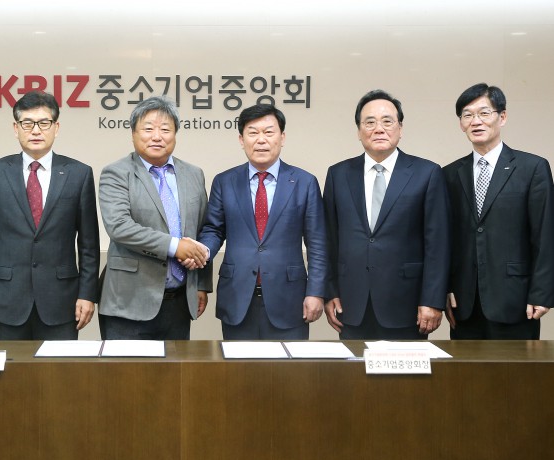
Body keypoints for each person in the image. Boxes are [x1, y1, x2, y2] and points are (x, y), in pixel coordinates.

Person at [0, 91, 100, 340]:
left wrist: (87, 294)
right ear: (16, 128)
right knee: (11, 365)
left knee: (60, 366)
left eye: (44, 123)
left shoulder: (79, 174)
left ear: (56, 127)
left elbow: (89, 246)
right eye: (27, 123)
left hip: (61, 300)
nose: (36, 131)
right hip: (8, 298)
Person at [323, 89, 450, 339]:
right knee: (353, 364)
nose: (378, 129)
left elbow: (438, 244)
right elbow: (329, 239)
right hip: (352, 303)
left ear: (400, 128)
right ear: (359, 131)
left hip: (407, 304)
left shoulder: (427, 173)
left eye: (387, 121)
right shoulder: (338, 174)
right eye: (369, 122)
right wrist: (330, 291)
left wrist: (432, 300)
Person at [197, 104, 327, 340]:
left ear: (282, 137)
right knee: (237, 364)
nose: (261, 140)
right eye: (253, 132)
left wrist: (316, 292)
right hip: (237, 296)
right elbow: (213, 230)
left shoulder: (305, 182)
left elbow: (317, 243)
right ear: (241, 139)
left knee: (289, 364)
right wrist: (202, 252)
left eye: (268, 132)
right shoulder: (224, 181)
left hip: (289, 298)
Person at [443, 83, 554, 339]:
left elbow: (545, 235)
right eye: (468, 115)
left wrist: (542, 292)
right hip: (464, 302)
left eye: (484, 113)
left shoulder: (532, 168)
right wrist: (445, 289)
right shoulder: (449, 174)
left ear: (502, 117)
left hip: (516, 297)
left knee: (515, 366)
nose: (476, 121)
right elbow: (444, 240)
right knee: (466, 366)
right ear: (461, 124)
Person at [98, 95, 211, 340]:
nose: (157, 136)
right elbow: (119, 227)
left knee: (177, 366)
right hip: (129, 302)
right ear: (133, 134)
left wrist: (201, 284)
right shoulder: (116, 173)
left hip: (179, 302)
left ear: (175, 134)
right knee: (125, 366)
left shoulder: (194, 174)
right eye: (148, 129)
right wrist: (175, 246)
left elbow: (203, 229)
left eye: (165, 130)